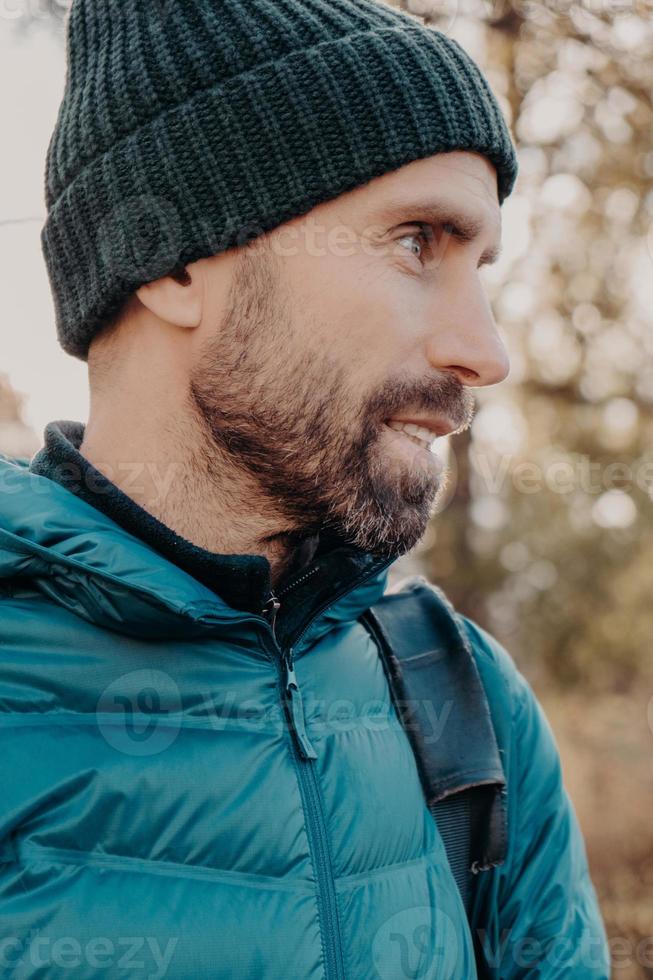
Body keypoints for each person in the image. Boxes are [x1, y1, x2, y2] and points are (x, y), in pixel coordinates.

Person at [0, 0, 609, 976]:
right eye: (417, 241)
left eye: (482, 266)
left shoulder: (468, 704)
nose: (484, 351)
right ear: (175, 259)